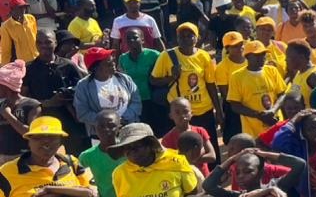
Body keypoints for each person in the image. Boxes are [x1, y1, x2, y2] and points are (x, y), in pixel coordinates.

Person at [150, 22, 223, 153]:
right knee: (186, 149)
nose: (186, 39)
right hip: (181, 114)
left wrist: (218, 110)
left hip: (204, 110)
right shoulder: (167, 56)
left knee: (209, 148)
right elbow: (153, 80)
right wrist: (171, 77)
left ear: (197, 38)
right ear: (177, 38)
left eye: (190, 35)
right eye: (182, 36)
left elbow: (210, 84)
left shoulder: (203, 55)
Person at [25, 29, 83, 144]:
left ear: (56, 43)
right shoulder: (29, 68)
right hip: (43, 122)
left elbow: (82, 89)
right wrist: (47, 102)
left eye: (48, 42)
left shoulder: (68, 65)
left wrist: (67, 95)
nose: (43, 46)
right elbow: (24, 98)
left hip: (70, 120)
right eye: (39, 43)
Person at [73, 46, 141, 137]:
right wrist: (109, 123)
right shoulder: (83, 86)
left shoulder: (124, 79)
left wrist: (124, 119)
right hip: (102, 134)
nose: (113, 64)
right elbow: (83, 113)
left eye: (113, 61)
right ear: (95, 68)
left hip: (129, 129)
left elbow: (136, 102)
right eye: (108, 64)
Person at [227, 40, 287, 138]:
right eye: (257, 55)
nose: (261, 58)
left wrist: (273, 110)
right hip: (253, 131)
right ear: (247, 57)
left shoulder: (272, 71)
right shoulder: (237, 76)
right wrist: (259, 115)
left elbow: (282, 94)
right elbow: (235, 105)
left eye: (263, 54)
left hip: (276, 125)